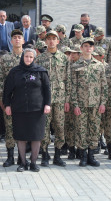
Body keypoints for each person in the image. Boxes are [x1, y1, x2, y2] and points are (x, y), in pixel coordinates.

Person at [3, 48, 51, 172]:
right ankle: (23, 163)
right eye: (26, 56)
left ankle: (34, 162)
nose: (28, 59)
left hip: (37, 110)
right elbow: (7, 90)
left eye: (31, 57)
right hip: (19, 109)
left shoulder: (41, 72)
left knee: (36, 136)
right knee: (21, 136)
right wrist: (7, 105)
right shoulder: (15, 72)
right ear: (22, 57)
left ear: (34, 58)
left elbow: (47, 89)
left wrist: (47, 104)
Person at [35, 30, 70, 167]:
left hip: (60, 99)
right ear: (45, 41)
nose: (51, 41)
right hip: (44, 99)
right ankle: (44, 154)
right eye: (48, 38)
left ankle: (57, 155)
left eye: (53, 38)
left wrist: (67, 100)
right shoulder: (40, 59)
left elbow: (68, 80)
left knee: (60, 126)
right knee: (44, 127)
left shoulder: (64, 58)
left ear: (58, 41)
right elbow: (36, 80)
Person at [71, 38, 107, 167]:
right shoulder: (75, 66)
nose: (88, 48)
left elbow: (104, 86)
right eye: (85, 46)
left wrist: (103, 103)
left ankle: (91, 155)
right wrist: (75, 104)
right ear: (81, 48)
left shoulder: (99, 65)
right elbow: (72, 87)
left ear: (93, 49)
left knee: (94, 130)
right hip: (81, 104)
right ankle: (83, 156)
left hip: (95, 104)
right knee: (81, 130)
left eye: (90, 46)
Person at [0, 29, 25, 167]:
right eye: (14, 37)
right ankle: (10, 156)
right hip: (10, 100)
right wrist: (2, 99)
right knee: (9, 128)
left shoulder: (29, 57)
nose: (17, 39)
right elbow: (0, 80)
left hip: (25, 101)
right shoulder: (5, 59)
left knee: (23, 128)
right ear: (11, 41)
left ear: (23, 40)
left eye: (19, 37)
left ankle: (22, 157)